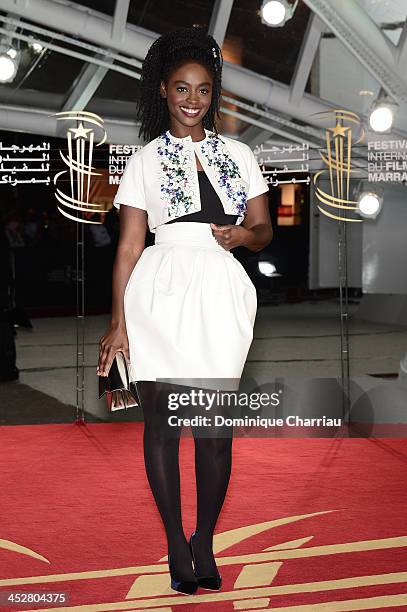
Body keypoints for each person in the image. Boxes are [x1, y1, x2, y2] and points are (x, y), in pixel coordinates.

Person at [97, 26, 273, 595]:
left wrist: (241, 238)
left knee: (216, 430)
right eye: (181, 88)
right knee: (164, 424)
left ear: (212, 95)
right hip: (160, 288)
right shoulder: (145, 160)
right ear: (164, 93)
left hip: (221, 291)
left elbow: (264, 229)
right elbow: (128, 247)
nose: (193, 99)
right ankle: (175, 540)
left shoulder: (241, 154)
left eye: (202, 90)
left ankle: (205, 538)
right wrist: (119, 323)